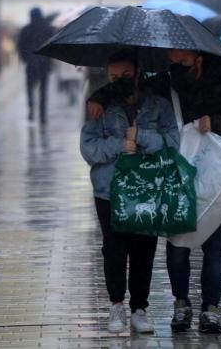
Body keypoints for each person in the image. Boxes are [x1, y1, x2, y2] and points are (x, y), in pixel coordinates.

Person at [88, 49, 221, 335]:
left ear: (198, 58)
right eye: (172, 61)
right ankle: (181, 304)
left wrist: (216, 123)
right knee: (177, 248)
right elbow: (130, 88)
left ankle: (210, 310)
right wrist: (99, 97)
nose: (174, 64)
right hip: (172, 176)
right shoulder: (167, 85)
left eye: (180, 60)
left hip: (214, 176)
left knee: (215, 248)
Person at [80, 49, 179, 335]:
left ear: (137, 73)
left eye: (124, 75)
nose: (118, 81)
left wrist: (143, 138)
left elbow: (173, 141)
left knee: (143, 248)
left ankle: (139, 308)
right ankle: (116, 305)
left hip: (147, 185)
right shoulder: (99, 105)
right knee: (113, 248)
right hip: (108, 189)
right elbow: (88, 146)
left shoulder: (158, 104)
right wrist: (120, 145)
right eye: (112, 77)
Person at [17, 7, 53, 123]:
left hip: (31, 64)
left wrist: (25, 59)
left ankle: (31, 107)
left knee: (30, 89)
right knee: (43, 91)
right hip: (44, 64)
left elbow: (20, 47)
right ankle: (42, 115)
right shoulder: (47, 29)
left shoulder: (26, 29)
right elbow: (51, 46)